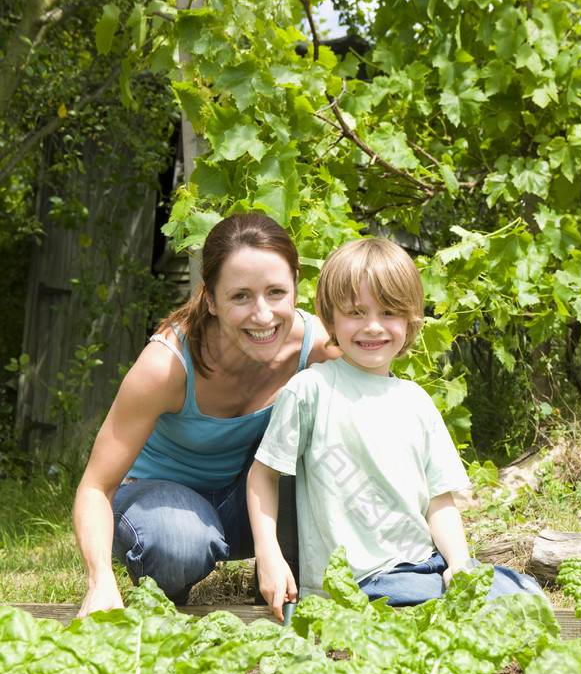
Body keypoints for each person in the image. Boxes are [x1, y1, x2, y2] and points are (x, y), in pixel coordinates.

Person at [246, 236, 545, 621]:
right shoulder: (311, 390)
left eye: (389, 312)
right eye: (356, 311)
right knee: (468, 604)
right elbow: (263, 475)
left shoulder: (416, 400)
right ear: (330, 316)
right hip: (356, 583)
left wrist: (458, 563)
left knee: (524, 592)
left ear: (410, 320)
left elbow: (439, 500)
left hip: (422, 567)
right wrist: (268, 555)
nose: (373, 327)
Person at [73, 212, 339, 618]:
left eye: (275, 293)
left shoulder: (315, 346)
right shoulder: (166, 367)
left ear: (296, 286)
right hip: (159, 499)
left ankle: (286, 575)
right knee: (180, 544)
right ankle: (170, 577)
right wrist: (100, 582)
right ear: (210, 299)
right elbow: (95, 487)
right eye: (240, 296)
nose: (263, 316)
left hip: (251, 495)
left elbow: (375, 416)